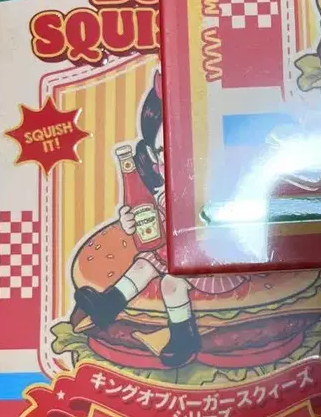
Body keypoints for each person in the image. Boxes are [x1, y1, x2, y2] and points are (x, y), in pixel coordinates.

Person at [73, 71, 248, 368]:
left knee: (171, 284)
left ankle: (184, 337)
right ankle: (107, 306)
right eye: (164, 151)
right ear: (154, 156)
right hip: (171, 252)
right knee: (143, 265)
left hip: (210, 259)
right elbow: (152, 225)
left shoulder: (220, 183)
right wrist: (130, 223)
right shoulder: (159, 189)